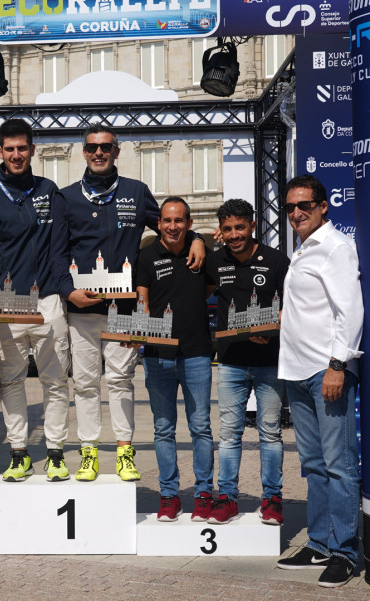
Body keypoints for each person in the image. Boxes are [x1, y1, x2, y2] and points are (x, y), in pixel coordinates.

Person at [52, 123, 204, 481]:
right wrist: (66, 290)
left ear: (117, 151)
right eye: (92, 148)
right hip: (82, 308)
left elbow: (169, 227)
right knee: (86, 383)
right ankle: (88, 452)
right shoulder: (67, 197)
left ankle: (124, 451)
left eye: (106, 147)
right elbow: (56, 252)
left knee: (121, 381)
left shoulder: (136, 192)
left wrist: (196, 237)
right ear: (84, 153)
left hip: (124, 310)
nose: (99, 153)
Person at [275, 175, 363, 588]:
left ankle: (345, 551)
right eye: (290, 207)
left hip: (323, 372)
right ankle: (318, 544)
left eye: (304, 205)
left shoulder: (336, 247)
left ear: (324, 206)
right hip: (296, 370)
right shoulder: (303, 249)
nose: (296, 214)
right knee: (313, 465)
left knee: (339, 465)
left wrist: (337, 365)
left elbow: (350, 312)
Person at [0, 118, 70, 482]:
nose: (16, 154)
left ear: (32, 149)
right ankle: (19, 453)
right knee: (11, 382)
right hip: (9, 305)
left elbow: (60, 249)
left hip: (47, 302)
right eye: (9, 149)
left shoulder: (50, 190)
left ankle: (56, 452)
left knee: (56, 381)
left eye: (22, 148)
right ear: (0, 151)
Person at [205, 199, 289, 525]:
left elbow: (292, 304)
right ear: (221, 231)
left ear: (252, 225)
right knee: (229, 434)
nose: (234, 234)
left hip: (269, 360)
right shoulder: (215, 261)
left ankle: (272, 500)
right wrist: (202, 242)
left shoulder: (276, 260)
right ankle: (226, 498)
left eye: (240, 227)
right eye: (227, 229)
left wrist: (273, 329)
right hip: (230, 362)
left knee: (270, 433)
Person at [136, 197, 214, 522]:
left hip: (196, 353)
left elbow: (210, 287)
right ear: (159, 223)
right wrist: (137, 334)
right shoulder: (146, 256)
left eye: (179, 221)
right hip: (158, 356)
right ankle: (169, 496)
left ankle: (204, 493)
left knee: (201, 428)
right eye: (167, 220)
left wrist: (200, 243)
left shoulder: (202, 254)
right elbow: (142, 301)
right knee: (163, 428)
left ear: (189, 223)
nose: (172, 226)